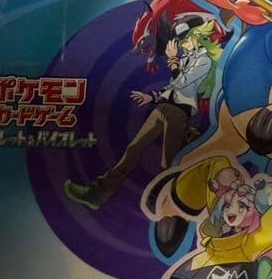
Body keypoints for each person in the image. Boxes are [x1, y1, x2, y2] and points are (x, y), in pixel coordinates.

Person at [64, 15, 223, 251]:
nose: (181, 45)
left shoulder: (204, 61)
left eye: (184, 40)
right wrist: (152, 97)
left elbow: (182, 83)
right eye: (180, 41)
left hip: (178, 113)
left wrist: (172, 60)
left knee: (168, 164)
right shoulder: (188, 58)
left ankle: (170, 217)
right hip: (164, 107)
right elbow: (173, 89)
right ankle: (98, 193)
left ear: (197, 37)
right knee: (134, 148)